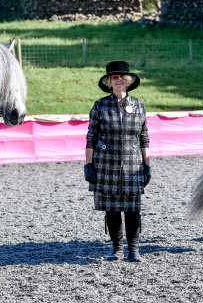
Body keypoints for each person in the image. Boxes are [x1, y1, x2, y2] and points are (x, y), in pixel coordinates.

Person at [84, 61, 151, 262]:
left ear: (128, 81)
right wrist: (88, 165)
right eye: (115, 77)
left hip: (133, 165)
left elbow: (144, 137)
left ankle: (134, 250)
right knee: (112, 209)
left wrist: (147, 165)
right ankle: (116, 249)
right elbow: (91, 137)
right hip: (106, 163)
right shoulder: (100, 105)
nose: (119, 80)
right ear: (109, 82)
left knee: (133, 209)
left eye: (122, 77)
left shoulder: (139, 106)